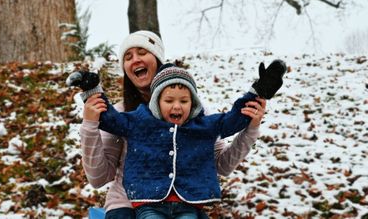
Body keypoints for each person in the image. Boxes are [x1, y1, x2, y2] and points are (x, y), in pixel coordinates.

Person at [78, 30, 267, 219]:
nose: (135, 59)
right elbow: (98, 178)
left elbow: (222, 166)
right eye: (128, 56)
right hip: (127, 202)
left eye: (142, 52)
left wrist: (250, 129)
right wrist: (90, 125)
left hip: (182, 202)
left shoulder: (193, 115)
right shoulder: (122, 115)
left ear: (158, 59)